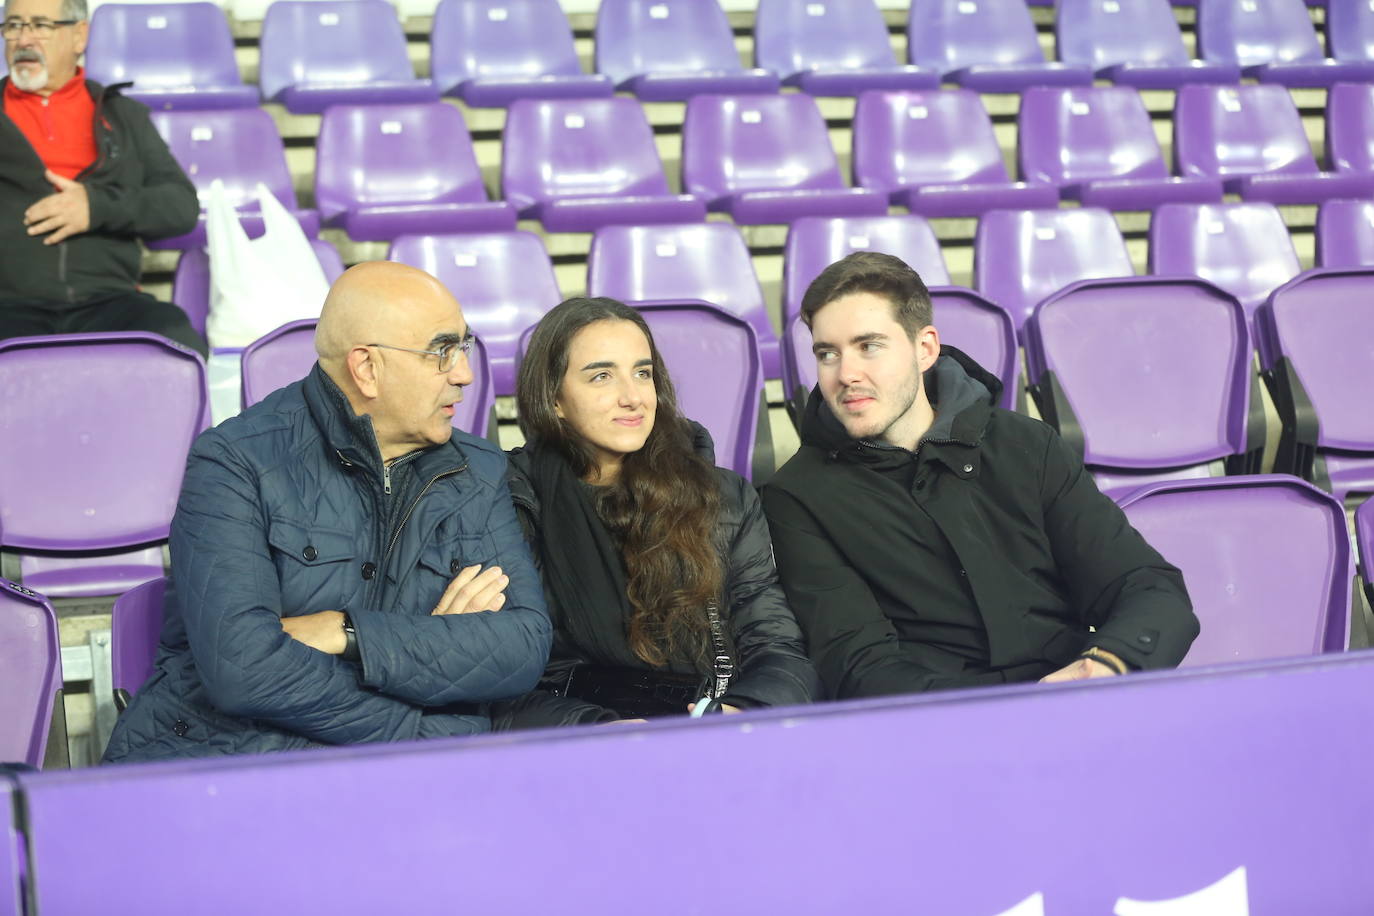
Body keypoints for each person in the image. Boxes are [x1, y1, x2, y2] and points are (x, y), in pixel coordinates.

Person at [103, 262, 551, 762]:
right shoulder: (234, 462)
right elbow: (243, 670)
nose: (464, 374)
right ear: (367, 369)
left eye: (463, 348)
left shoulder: (479, 469)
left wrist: (349, 632)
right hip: (235, 762)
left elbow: (521, 646)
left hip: (404, 784)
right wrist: (419, 723)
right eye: (441, 352)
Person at [762, 252, 1199, 700]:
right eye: (827, 354)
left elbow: (1145, 586)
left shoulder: (1026, 445)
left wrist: (1109, 662)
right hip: (939, 730)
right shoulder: (797, 495)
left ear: (925, 348)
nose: (846, 373)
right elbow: (859, 663)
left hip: (1078, 703)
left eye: (868, 346)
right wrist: (1004, 716)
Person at [495, 297, 820, 727]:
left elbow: (776, 647)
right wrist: (592, 728)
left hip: (712, 727)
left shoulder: (721, 497)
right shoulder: (509, 503)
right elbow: (500, 684)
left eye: (642, 373)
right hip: (579, 747)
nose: (632, 397)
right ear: (554, 398)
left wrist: (746, 709)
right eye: (602, 376)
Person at [1, 0, 206, 355]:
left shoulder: (123, 116)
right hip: (8, 304)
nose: (24, 39)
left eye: (40, 26)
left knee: (177, 344)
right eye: (14, 26)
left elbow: (180, 206)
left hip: (109, 303)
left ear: (79, 36)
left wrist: (95, 207)